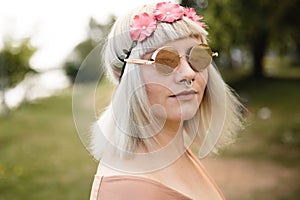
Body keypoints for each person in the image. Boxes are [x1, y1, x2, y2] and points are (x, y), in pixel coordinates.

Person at [87, 2, 244, 199]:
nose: (188, 73)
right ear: (129, 77)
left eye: (198, 56)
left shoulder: (175, 154)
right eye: (165, 60)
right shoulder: (126, 192)